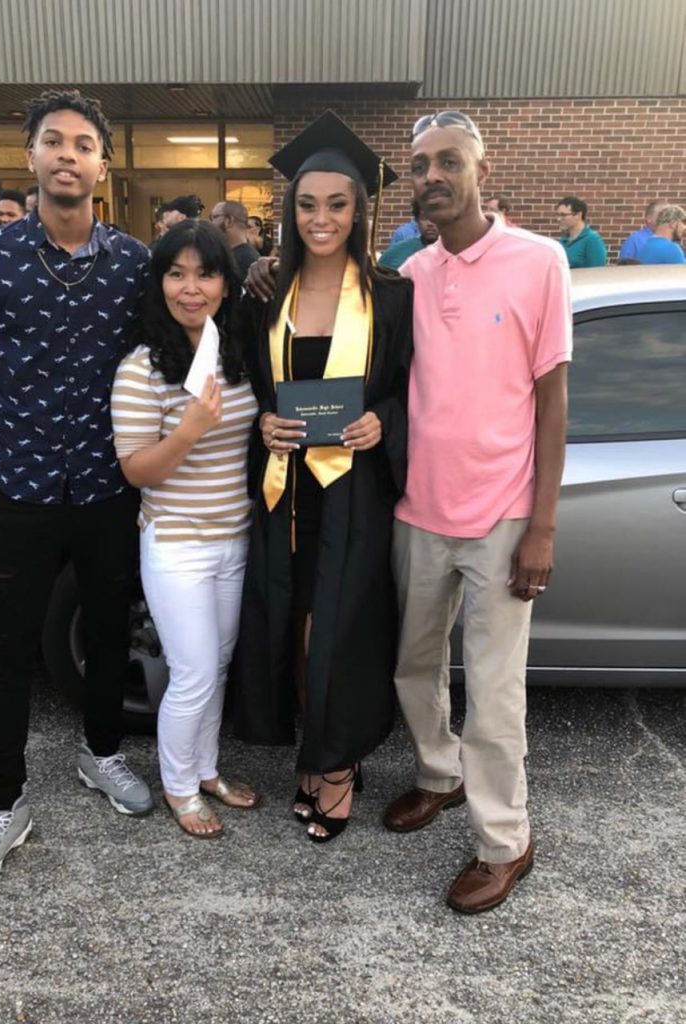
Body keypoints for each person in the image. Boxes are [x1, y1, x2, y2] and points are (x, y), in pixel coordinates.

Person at [0, 88, 153, 895]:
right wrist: (14, 445)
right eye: (53, 142)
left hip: (108, 484)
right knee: (10, 647)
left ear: (104, 164)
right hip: (27, 488)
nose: (68, 155)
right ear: (30, 157)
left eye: (83, 145)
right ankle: (3, 803)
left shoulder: (134, 264)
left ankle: (101, 755)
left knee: (109, 629)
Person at [383, 110, 571, 913]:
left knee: (495, 691)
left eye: (448, 160)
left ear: (480, 169)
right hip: (417, 509)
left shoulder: (540, 261)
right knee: (415, 665)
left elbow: (553, 402)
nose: (433, 174)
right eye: (421, 163)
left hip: (501, 515)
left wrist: (543, 525)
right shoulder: (410, 272)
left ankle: (506, 841)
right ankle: (438, 774)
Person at [234, 110, 413, 844]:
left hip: (352, 493)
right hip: (285, 492)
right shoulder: (263, 294)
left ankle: (336, 764)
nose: (321, 218)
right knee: (292, 626)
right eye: (308, 204)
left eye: (338, 204)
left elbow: (408, 389)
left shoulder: (391, 294)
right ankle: (315, 751)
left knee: (339, 628)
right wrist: (263, 426)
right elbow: (253, 389)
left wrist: (383, 424)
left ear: (361, 210)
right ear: (290, 210)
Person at [111, 220, 260, 838]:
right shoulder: (142, 368)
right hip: (177, 543)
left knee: (218, 666)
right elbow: (137, 468)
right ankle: (177, 785)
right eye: (176, 273)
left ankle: (204, 768)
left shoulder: (236, 352)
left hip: (236, 537)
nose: (190, 288)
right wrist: (191, 428)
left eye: (206, 272)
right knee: (193, 671)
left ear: (226, 283)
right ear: (160, 281)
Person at [378, 199, 439, 269]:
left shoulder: (452, 252)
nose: (430, 223)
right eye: (424, 218)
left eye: (435, 217)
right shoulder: (397, 253)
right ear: (417, 220)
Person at [209, 200, 260, 281]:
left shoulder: (244, 261)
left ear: (229, 221)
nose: (211, 223)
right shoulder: (238, 256)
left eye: (214, 217)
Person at [555, 196, 607, 268]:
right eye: (558, 215)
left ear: (578, 215)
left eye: (563, 215)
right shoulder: (563, 240)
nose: (559, 219)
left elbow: (597, 273)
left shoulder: (592, 240)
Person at [618, 199, 668, 264]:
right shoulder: (635, 240)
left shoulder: (672, 240)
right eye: (663, 214)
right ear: (649, 219)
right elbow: (623, 268)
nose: (667, 218)